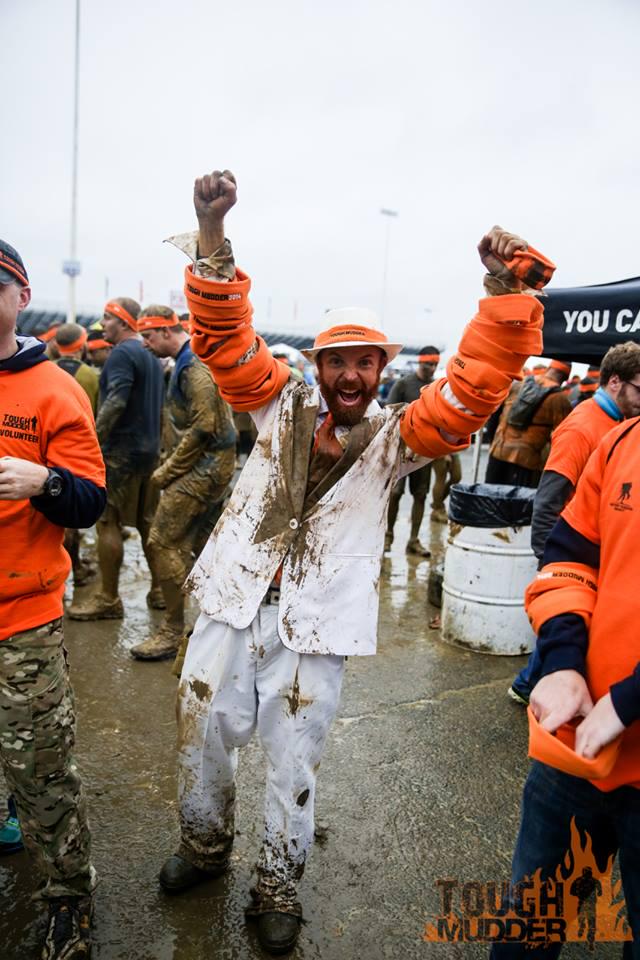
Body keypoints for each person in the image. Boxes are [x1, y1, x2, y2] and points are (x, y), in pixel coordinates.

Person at [158, 168, 547, 955]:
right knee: (200, 730)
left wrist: (505, 290)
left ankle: (277, 883)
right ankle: (204, 849)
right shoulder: (278, 402)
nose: (349, 375)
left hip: (315, 630)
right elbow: (228, 344)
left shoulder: (401, 439)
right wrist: (210, 236)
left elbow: (471, 392)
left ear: (381, 369)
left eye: (365, 363)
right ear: (319, 366)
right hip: (234, 603)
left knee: (292, 762)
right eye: (338, 361)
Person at [492, 401, 640, 957]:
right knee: (529, 923)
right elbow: (570, 560)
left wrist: (626, 702)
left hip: (614, 725)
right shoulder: (622, 443)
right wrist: (561, 660)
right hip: (575, 751)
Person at [0, 238, 106, 959]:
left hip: (21, 622)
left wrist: (47, 484)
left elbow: (91, 499)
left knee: (42, 771)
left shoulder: (53, 389)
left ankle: (69, 893)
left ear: (20, 294)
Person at [508, 342, 640, 705]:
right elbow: (548, 497)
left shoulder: (619, 426)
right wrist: (546, 560)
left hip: (592, 548)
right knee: (566, 622)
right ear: (615, 382)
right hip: (567, 550)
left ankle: (533, 679)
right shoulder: (582, 427)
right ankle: (528, 683)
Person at [129, 305, 236, 661]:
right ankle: (216, 625)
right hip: (211, 467)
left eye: (147, 336)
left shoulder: (193, 367)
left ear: (165, 331)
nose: (144, 344)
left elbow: (205, 426)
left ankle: (173, 631)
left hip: (203, 470)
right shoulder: (188, 362)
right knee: (204, 545)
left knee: (160, 541)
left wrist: (169, 470)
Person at [68, 297, 164, 621]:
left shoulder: (122, 353)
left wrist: (90, 443)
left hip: (120, 452)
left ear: (123, 322)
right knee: (148, 522)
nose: (102, 325)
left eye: (106, 319)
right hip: (149, 452)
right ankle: (160, 590)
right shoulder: (151, 356)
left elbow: (116, 402)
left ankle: (109, 599)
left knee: (107, 522)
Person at [54, 323, 101, 588]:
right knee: (72, 516)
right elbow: (96, 413)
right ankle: (75, 570)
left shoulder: (44, 370)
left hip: (46, 452)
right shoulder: (89, 376)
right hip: (77, 452)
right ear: (82, 345)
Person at [385, 347, 440, 555]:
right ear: (420, 363)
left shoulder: (435, 387)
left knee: (421, 494)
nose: (432, 368)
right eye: (429, 364)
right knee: (396, 492)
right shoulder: (403, 384)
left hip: (424, 449)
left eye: (435, 365)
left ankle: (414, 540)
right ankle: (388, 536)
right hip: (401, 447)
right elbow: (389, 413)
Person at [486, 360, 572, 488]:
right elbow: (564, 438)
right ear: (565, 378)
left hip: (498, 451)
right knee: (516, 505)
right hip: (527, 462)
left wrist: (493, 442)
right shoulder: (560, 399)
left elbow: (494, 416)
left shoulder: (518, 384)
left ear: (548, 368)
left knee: (489, 499)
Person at [430, 453, 462, 522]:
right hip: (440, 449)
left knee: (456, 477)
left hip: (453, 450)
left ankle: (436, 505)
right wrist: (445, 454)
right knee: (441, 477)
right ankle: (438, 509)